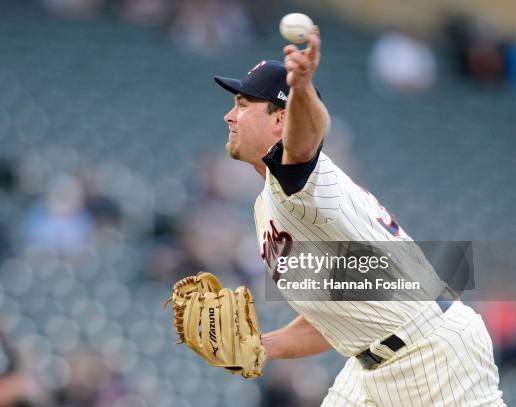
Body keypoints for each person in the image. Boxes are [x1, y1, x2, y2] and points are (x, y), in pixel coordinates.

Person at [213, 26, 505, 406]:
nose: (229, 116)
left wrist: (301, 89)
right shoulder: (269, 203)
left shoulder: (299, 181)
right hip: (372, 363)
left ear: (281, 120)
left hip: (432, 354)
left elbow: (306, 142)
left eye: (243, 104)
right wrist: (262, 346)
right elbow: (336, 313)